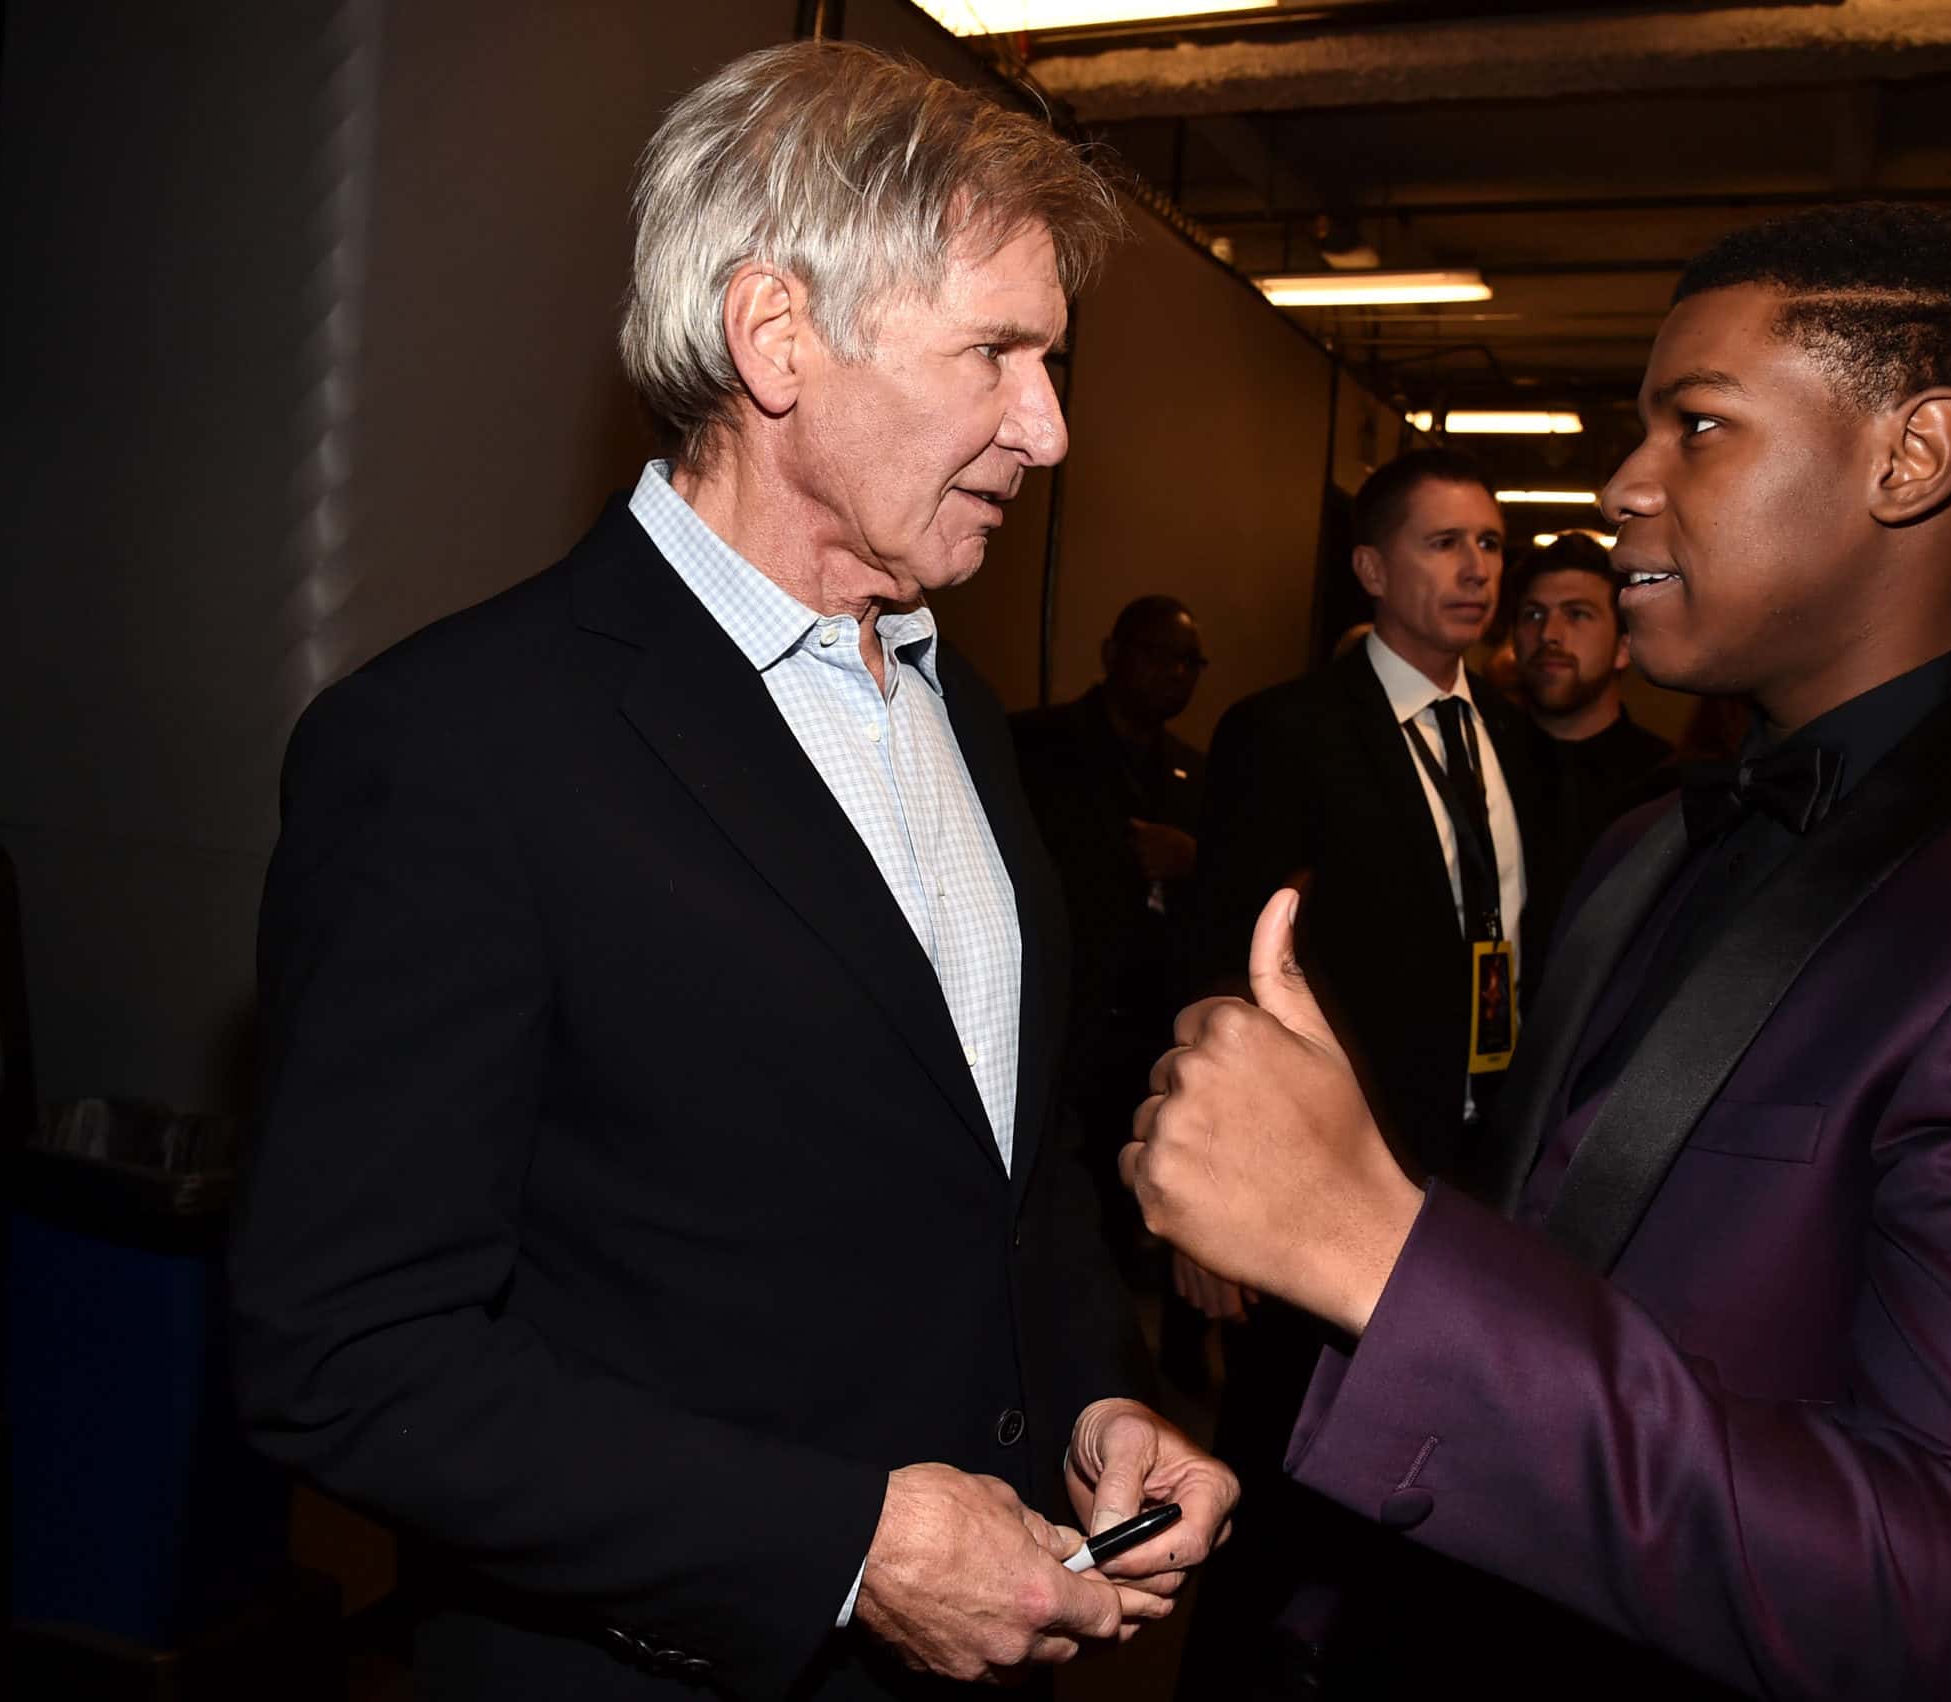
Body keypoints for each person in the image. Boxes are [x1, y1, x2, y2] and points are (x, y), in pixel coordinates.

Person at [1126, 202, 1951, 1700]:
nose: (1625, 484)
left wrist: (1372, 1244)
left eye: (1698, 427)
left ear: (1910, 457)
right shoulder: (1657, 833)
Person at [229, 43, 1234, 1701]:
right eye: (998, 352)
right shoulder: (459, 744)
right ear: (778, 336)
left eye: (1051, 361)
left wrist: (1094, 1403)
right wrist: (843, 1544)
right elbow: (348, 1356)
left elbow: (1005, 1166)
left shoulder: (961, 711)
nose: (1048, 430)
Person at [1176, 446, 1544, 1692]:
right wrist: (1209, 1209)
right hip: (1321, 1171)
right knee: (1281, 1482)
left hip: (1477, 1168)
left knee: (1431, 1485)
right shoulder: (1287, 732)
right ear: (1373, 566)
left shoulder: (1509, 739)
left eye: (1491, 543)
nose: (1476, 568)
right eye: (1444, 543)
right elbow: (1226, 957)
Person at [1010, 596, 1211, 1382]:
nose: (1173, 674)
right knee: (1066, 1214)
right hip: (1066, 1024)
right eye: (1157, 654)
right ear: (1111, 652)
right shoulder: (1036, 746)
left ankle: (1169, 1375)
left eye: (1189, 662)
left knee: (1166, 1203)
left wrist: (1190, 859)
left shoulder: (1195, 773)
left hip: (1157, 1027)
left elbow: (1223, 895)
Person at [1508, 533, 1677, 950]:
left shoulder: (1667, 788)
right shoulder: (1477, 762)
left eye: (1578, 615)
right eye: (1532, 615)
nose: (1549, 634)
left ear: (1624, 648)